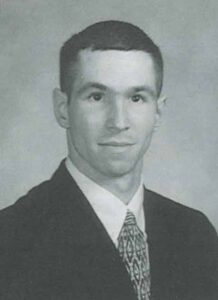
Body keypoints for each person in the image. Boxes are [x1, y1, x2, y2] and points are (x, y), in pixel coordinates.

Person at [0, 20, 217, 300]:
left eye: (136, 98)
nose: (118, 121)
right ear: (63, 109)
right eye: (97, 96)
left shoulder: (194, 234)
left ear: (158, 113)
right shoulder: (11, 239)